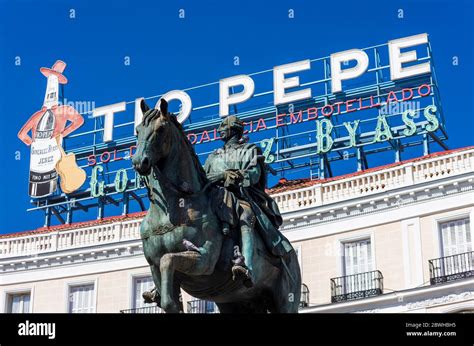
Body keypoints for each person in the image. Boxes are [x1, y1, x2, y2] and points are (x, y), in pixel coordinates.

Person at [204, 116, 293, 288]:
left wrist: (238, 178)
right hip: (213, 197)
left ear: (234, 129)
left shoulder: (249, 149)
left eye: (224, 126)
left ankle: (247, 266)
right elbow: (202, 178)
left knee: (245, 214)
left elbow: (254, 173)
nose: (219, 129)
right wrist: (221, 176)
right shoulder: (213, 156)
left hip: (239, 196)